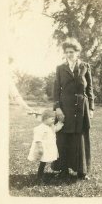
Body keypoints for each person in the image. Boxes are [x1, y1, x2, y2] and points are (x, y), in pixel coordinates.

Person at [53, 38, 94, 180]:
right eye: (67, 52)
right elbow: (56, 90)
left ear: (77, 52)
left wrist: (91, 109)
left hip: (81, 108)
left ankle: (82, 171)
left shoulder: (85, 66)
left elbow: (89, 89)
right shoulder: (60, 68)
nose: (69, 54)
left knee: (80, 138)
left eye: (72, 52)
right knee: (63, 138)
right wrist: (57, 108)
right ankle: (63, 169)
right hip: (65, 108)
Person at [28, 109, 64, 181]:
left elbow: (56, 129)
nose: (53, 121)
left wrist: (60, 122)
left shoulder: (51, 126)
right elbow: (37, 138)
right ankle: (39, 175)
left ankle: (40, 175)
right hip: (43, 147)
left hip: (49, 147)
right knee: (43, 161)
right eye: (52, 119)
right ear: (45, 118)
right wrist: (40, 148)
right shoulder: (40, 128)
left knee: (45, 160)